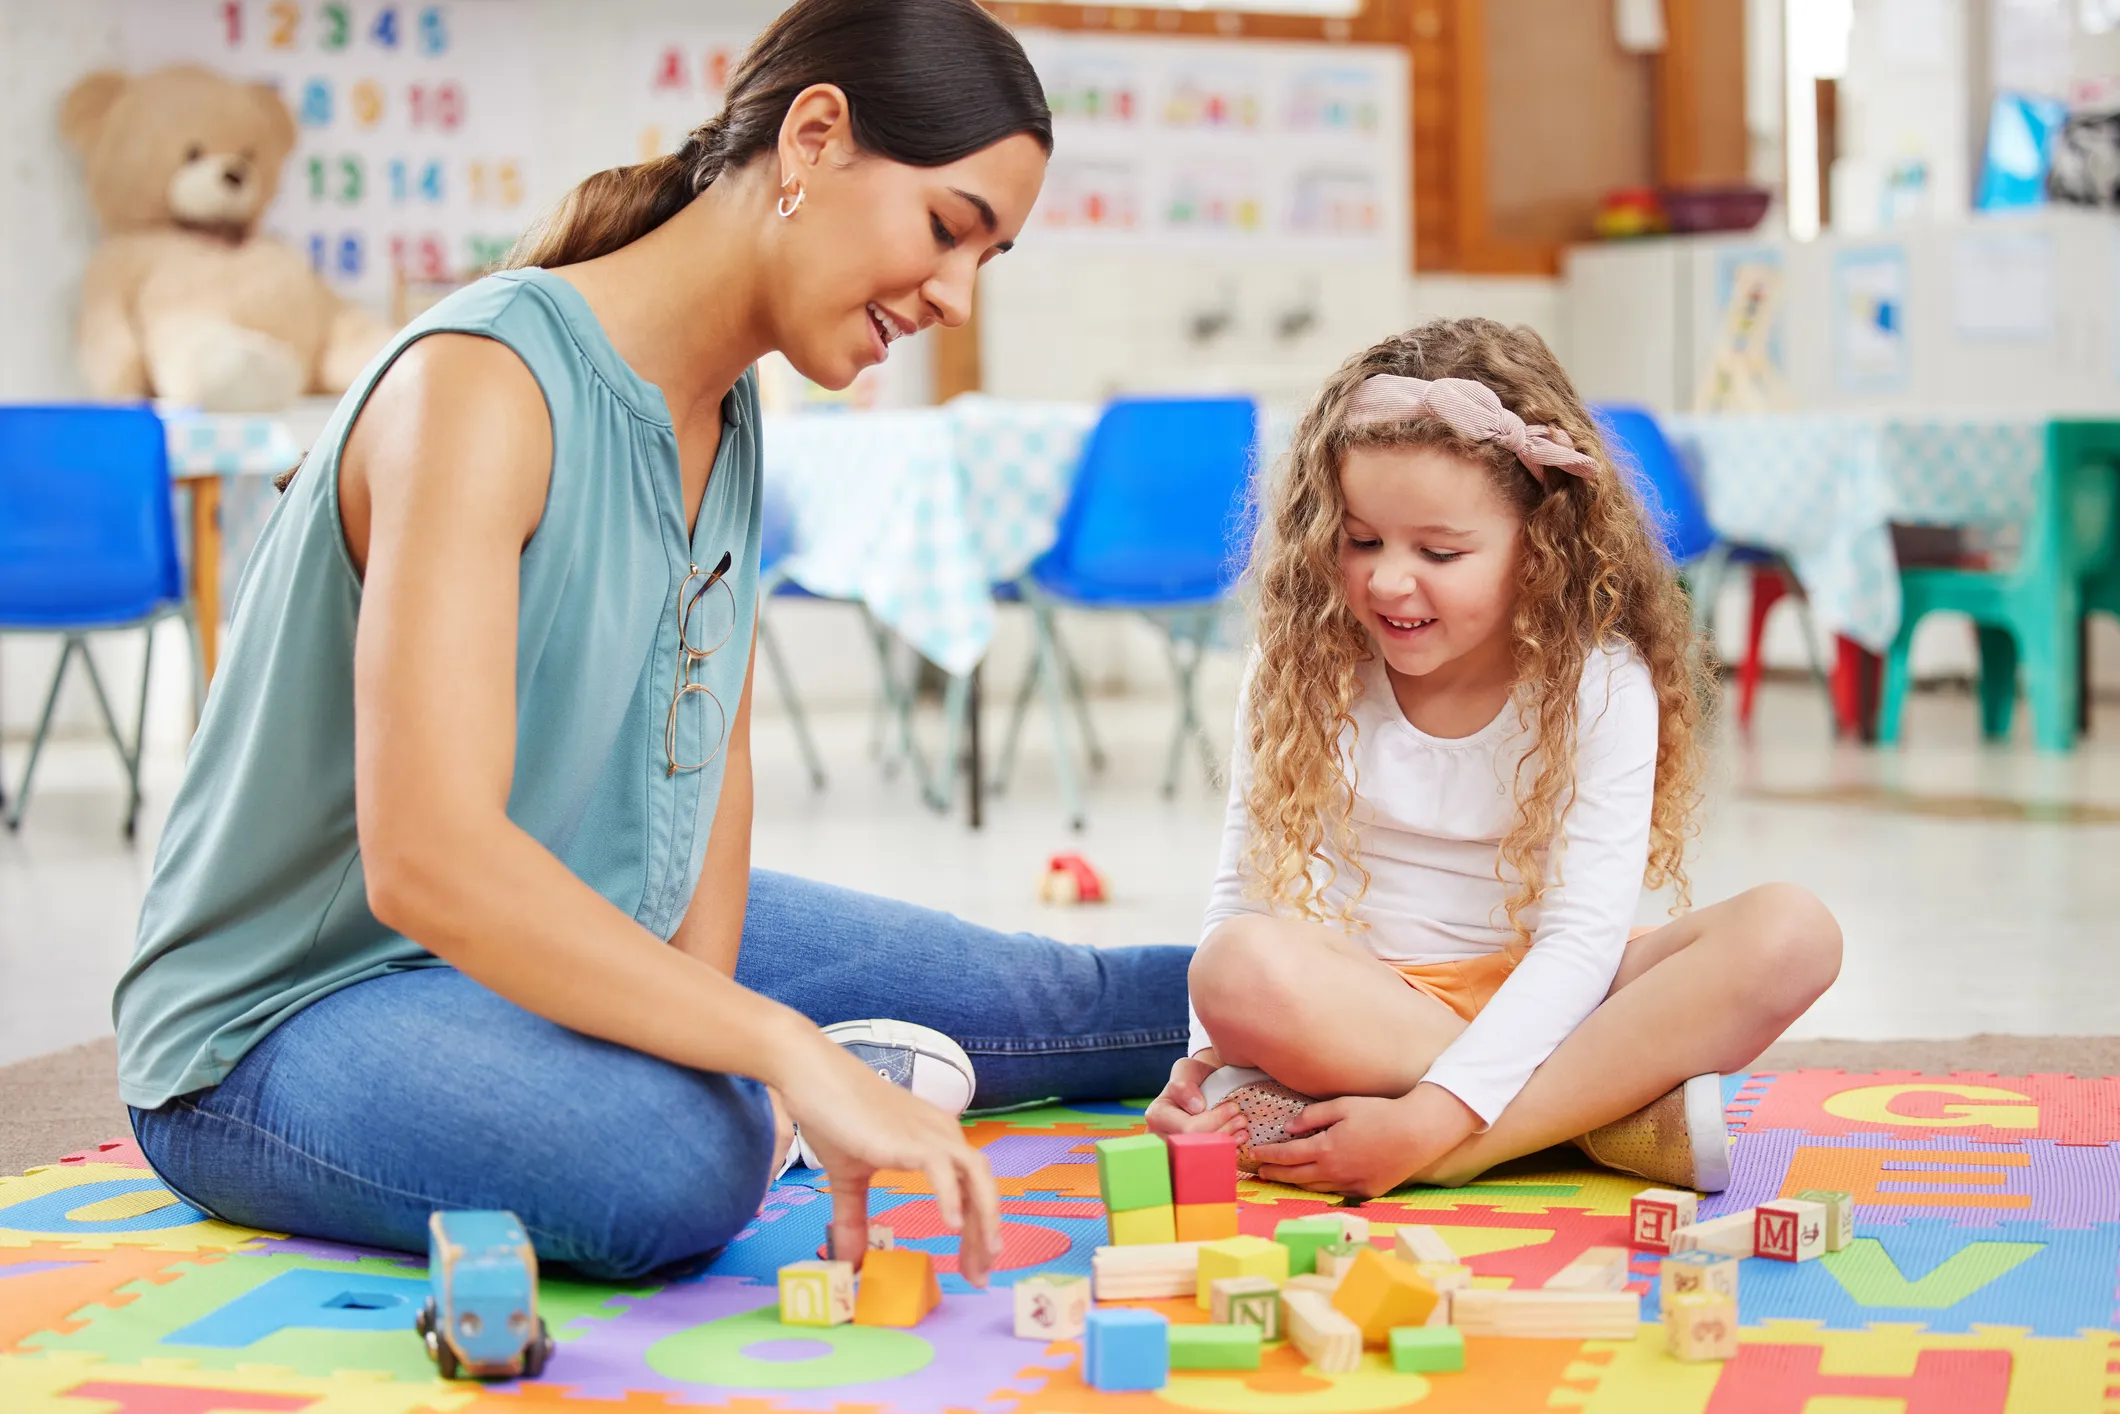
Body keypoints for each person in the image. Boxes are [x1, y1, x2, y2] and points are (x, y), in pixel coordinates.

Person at [113, 0, 1192, 1284]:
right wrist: (773, 1048)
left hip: (580, 913)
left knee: (1062, 1001)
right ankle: (799, 1096)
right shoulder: (482, 382)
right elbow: (428, 864)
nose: (956, 295)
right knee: (674, 1159)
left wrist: (722, 1021)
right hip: (288, 1018)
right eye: (948, 228)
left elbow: (711, 773)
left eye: (987, 258)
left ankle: (1433, 1014)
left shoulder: (730, 411)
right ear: (813, 139)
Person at [1143, 318, 1842, 1199]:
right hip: (1373, 1005)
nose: (1390, 581)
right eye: (1361, 541)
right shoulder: (1303, 660)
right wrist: (1199, 1062)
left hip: (1564, 988)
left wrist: (1436, 1129)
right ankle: (1597, 1111)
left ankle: (1472, 1140)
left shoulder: (1600, 683)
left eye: (1438, 552)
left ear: (1541, 548)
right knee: (1233, 969)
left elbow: (1582, 943)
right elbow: (1240, 894)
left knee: (1793, 933)